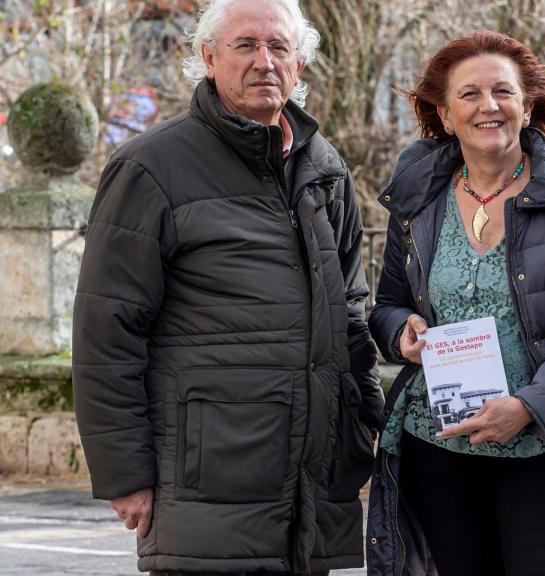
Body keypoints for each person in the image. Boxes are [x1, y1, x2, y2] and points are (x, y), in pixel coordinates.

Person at [71, 0, 383, 574]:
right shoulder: (150, 167)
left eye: (280, 47)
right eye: (246, 46)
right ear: (208, 58)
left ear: (301, 65)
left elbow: (351, 307)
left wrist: (366, 414)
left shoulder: (325, 165)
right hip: (203, 479)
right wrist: (124, 472)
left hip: (312, 487)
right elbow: (106, 333)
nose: (264, 61)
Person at [365, 30, 545, 576]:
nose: (488, 106)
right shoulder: (418, 199)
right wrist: (398, 330)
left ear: (526, 106)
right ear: (446, 114)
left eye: (503, 92)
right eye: (469, 94)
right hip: (438, 444)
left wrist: (527, 407)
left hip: (544, 445)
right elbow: (388, 304)